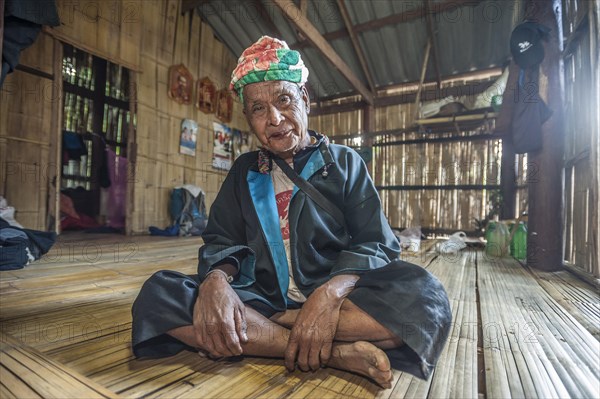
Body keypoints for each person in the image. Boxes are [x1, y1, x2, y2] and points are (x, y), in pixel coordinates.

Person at [132, 36, 451, 389]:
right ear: (249, 119)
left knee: (425, 297)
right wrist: (216, 281)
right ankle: (333, 353)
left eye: (284, 99)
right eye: (257, 109)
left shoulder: (344, 163)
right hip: (260, 294)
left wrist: (327, 295)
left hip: (337, 297)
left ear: (305, 99)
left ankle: (268, 330)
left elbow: (375, 242)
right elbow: (222, 239)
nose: (274, 118)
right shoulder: (244, 170)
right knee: (159, 295)